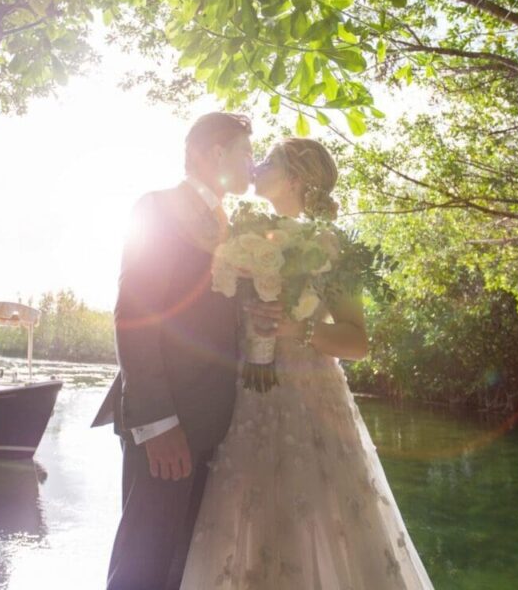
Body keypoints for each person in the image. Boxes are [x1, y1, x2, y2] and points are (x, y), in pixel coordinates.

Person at [179, 138, 434, 589]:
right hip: (244, 402)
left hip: (310, 403)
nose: (256, 165)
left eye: (269, 160)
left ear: (295, 179)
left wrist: (301, 331)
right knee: (244, 523)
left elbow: (358, 341)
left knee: (315, 520)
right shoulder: (237, 233)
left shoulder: (330, 246)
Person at [93, 112, 255, 590]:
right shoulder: (157, 208)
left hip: (210, 421)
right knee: (143, 564)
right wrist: (158, 421)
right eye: (246, 153)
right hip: (168, 423)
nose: (252, 164)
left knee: (179, 568)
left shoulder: (231, 224)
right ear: (215, 154)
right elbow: (134, 314)